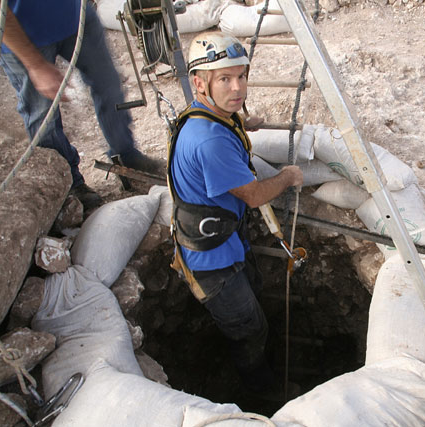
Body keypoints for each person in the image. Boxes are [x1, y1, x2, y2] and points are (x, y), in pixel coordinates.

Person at [167, 31, 303, 397]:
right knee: (250, 330)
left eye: (241, 76)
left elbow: (225, 123)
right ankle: (263, 392)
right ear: (199, 83)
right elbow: (256, 194)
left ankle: (261, 373)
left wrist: (246, 122)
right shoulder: (210, 141)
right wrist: (288, 176)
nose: (237, 88)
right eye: (224, 79)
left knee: (255, 303)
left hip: (226, 241)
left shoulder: (209, 116)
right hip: (212, 265)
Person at [0, 0, 163, 209]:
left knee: (108, 84)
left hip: (75, 17)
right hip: (23, 34)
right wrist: (35, 65)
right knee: (42, 114)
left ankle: (127, 156)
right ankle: (69, 184)